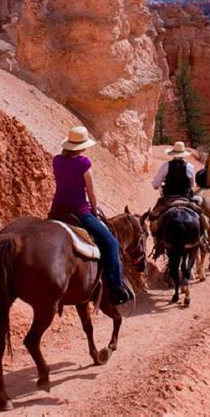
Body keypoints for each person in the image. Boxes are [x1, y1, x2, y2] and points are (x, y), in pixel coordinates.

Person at [49, 125, 133, 306]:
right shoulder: (84, 163)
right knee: (111, 243)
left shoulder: (57, 160)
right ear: (82, 146)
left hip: (57, 211)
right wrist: (94, 211)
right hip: (79, 211)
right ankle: (116, 289)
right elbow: (91, 192)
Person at [150, 141, 206, 257]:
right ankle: (202, 240)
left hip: (168, 198)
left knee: (153, 219)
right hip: (186, 197)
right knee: (201, 216)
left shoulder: (166, 166)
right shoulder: (189, 167)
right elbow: (191, 185)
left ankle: (158, 244)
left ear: (173, 154)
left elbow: (156, 185)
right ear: (184, 154)